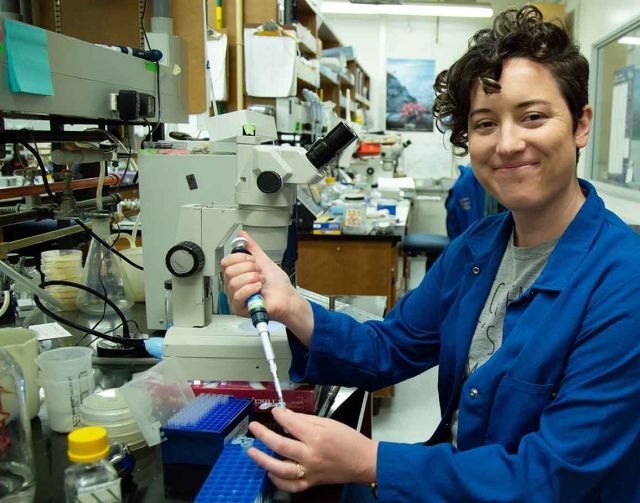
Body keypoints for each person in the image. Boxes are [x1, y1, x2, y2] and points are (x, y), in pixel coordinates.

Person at [221, 6, 640, 502]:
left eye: (533, 116)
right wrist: (291, 306)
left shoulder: (623, 282)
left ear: (580, 125)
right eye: (486, 123)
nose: (508, 143)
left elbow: (549, 476)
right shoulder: (478, 247)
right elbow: (390, 347)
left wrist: (368, 462)